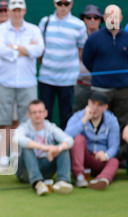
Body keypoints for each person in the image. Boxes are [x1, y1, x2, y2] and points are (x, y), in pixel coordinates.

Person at [0, 0, 44, 173]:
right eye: (13, 10)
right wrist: (25, 50)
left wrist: (14, 47)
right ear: (9, 11)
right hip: (4, 81)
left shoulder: (34, 29)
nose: (16, 13)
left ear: (24, 11)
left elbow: (38, 50)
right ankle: (3, 159)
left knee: (25, 122)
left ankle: (19, 158)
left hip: (27, 82)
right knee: (4, 122)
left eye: (19, 10)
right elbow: (2, 51)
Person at [82, 5, 128, 166]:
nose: (112, 19)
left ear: (120, 18)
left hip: (122, 88)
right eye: (109, 16)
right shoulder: (94, 38)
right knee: (98, 121)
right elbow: (87, 60)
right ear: (104, 18)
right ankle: (96, 157)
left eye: (115, 16)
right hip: (100, 89)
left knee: (122, 122)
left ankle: (118, 158)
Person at [38, 0, 87, 130]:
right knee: (44, 115)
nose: (63, 7)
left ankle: (64, 148)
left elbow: (81, 51)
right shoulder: (45, 22)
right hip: (46, 78)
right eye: (60, 3)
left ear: (71, 4)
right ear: (55, 4)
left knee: (66, 116)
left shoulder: (79, 25)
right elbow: (40, 50)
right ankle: (44, 147)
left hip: (67, 79)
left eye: (67, 4)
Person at [13, 99, 74, 196]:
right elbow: (17, 139)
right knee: (27, 148)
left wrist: (57, 149)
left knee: (63, 148)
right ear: (29, 115)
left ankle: (63, 181)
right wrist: (45, 148)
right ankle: (38, 183)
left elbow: (69, 140)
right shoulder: (24, 127)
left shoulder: (51, 127)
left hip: (46, 167)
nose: (37, 115)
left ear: (45, 113)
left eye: (40, 112)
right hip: (25, 171)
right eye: (34, 112)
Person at [65, 91, 120, 190]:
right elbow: (66, 135)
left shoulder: (112, 120)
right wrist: (85, 119)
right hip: (84, 159)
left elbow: (114, 146)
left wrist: (106, 155)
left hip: (101, 159)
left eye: (99, 105)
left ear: (105, 107)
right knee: (78, 139)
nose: (95, 108)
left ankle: (101, 180)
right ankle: (79, 176)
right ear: (88, 103)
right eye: (93, 103)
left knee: (114, 161)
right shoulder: (79, 116)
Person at [73, 4, 103, 112]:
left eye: (96, 17)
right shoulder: (77, 36)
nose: (92, 20)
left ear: (100, 20)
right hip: (81, 84)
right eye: (89, 17)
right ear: (84, 20)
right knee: (78, 113)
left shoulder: (106, 37)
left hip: (101, 85)